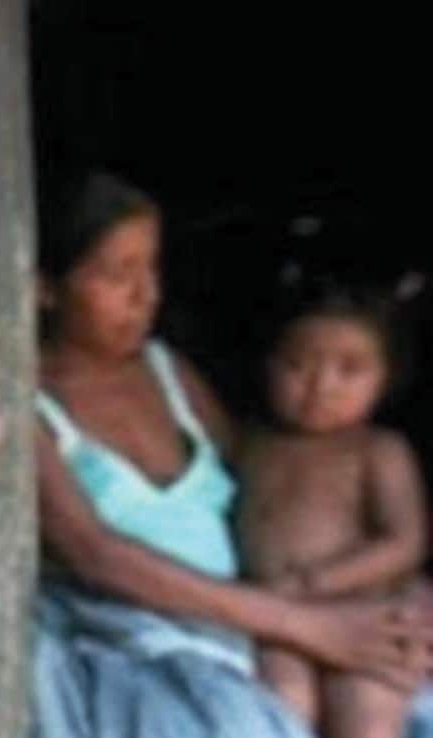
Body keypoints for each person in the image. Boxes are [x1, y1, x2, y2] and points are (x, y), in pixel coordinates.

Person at [30, 171, 433, 738]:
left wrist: (394, 589)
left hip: (258, 623)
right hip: (143, 647)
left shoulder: (168, 372)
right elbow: (96, 555)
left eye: (152, 268)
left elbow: (277, 494)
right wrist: (302, 622)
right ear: (44, 288)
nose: (147, 295)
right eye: (119, 274)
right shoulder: (25, 403)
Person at [237, 266, 428, 738]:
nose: (321, 386)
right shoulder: (249, 443)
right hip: (276, 620)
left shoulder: (378, 449)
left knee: (366, 712)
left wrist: (315, 581)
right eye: (297, 365)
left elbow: (405, 541)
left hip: (364, 612)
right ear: (267, 364)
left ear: (386, 379)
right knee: (281, 703)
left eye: (349, 370)